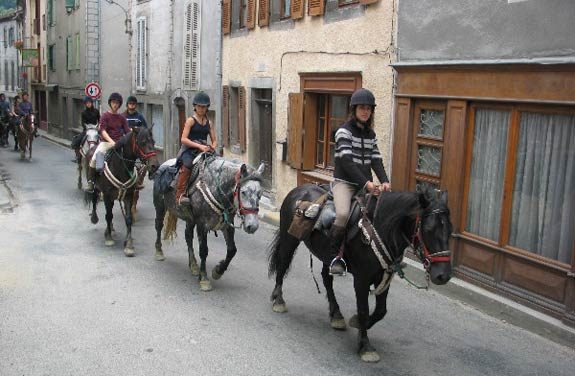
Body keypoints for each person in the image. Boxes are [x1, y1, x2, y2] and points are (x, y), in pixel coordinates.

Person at [329, 88, 392, 276]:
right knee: (342, 214)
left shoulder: (370, 135)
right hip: (345, 184)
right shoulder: (343, 132)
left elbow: (376, 160)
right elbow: (347, 163)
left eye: (369, 109)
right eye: (362, 108)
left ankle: (379, 256)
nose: (366, 111)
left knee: (380, 215)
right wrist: (367, 184)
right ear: (354, 109)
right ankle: (335, 257)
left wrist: (385, 181)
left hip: (366, 184)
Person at [175, 91, 216, 207]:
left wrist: (212, 147)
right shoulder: (190, 121)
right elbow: (183, 139)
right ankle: (180, 194)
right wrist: (199, 146)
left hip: (204, 150)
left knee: (217, 164)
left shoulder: (209, 123)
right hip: (190, 150)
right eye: (199, 106)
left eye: (204, 107)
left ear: (207, 108)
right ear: (195, 106)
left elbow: (215, 140)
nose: (201, 109)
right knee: (187, 165)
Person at [86, 92, 130, 192]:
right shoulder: (105, 116)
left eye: (117, 103)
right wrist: (111, 141)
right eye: (113, 102)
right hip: (106, 143)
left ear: (119, 104)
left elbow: (127, 131)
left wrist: (135, 133)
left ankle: (133, 180)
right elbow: (103, 131)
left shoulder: (122, 118)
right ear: (110, 103)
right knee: (94, 159)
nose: (115, 104)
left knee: (130, 158)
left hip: (119, 143)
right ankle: (91, 182)